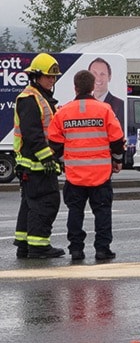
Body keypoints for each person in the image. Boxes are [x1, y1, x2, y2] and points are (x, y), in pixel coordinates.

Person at [48, 70, 126, 261]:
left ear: (75, 87)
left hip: (75, 175)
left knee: (75, 212)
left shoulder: (63, 112)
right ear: (93, 87)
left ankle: (76, 249)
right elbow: (117, 140)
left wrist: (65, 162)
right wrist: (116, 161)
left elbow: (54, 143)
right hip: (101, 174)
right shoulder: (105, 110)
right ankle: (102, 249)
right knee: (102, 212)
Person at [13, 53, 65, 259]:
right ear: (35, 76)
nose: (52, 80)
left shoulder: (41, 97)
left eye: (54, 77)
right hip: (37, 165)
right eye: (48, 76)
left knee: (30, 204)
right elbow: (33, 134)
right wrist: (47, 159)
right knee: (46, 203)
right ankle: (39, 246)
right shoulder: (30, 99)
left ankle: (25, 244)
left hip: (34, 165)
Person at [88, 57, 125, 129]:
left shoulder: (120, 105)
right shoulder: (83, 105)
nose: (98, 78)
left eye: (102, 74)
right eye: (94, 73)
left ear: (109, 77)